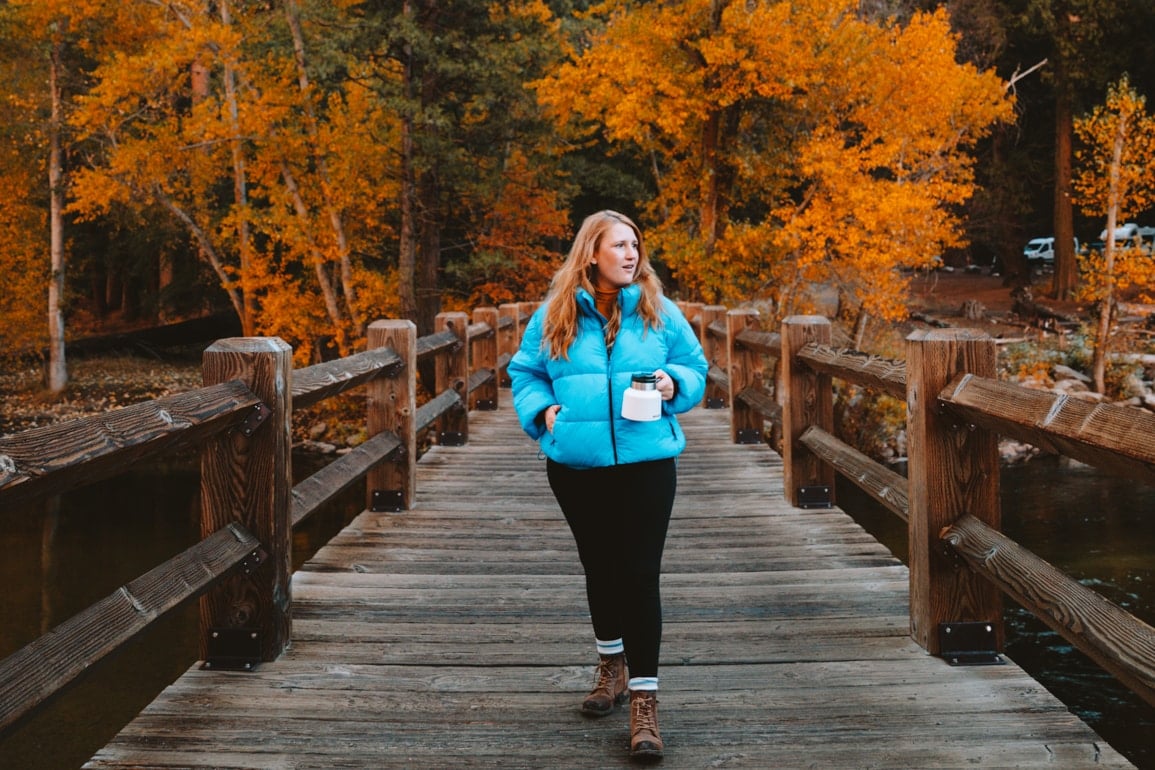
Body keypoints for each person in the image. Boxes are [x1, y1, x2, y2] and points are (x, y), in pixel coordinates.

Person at [508, 210, 708, 762]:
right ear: (591, 252)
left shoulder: (658, 311)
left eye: (635, 245)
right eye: (619, 245)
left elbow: (696, 366)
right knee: (600, 566)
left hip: (647, 461)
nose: (631, 254)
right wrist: (545, 412)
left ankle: (645, 702)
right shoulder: (554, 314)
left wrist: (676, 383)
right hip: (577, 464)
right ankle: (611, 666)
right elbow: (525, 371)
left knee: (640, 576)